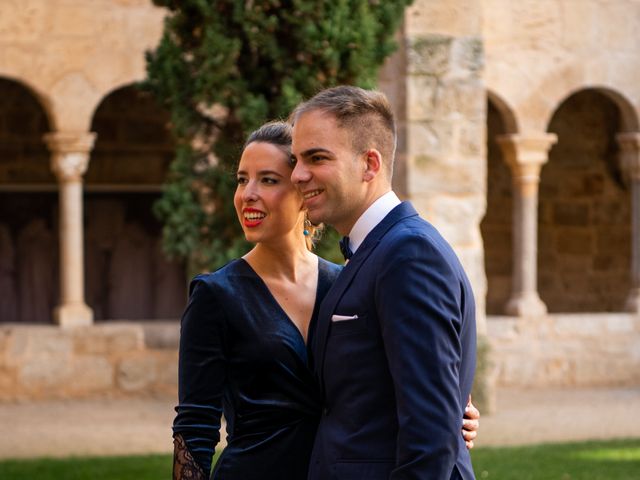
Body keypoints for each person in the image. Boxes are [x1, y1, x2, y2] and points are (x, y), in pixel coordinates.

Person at [172, 121, 480, 480]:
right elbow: (195, 427)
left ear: (305, 187)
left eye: (268, 180)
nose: (247, 194)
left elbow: (395, 379)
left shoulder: (348, 280)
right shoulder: (215, 295)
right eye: (242, 180)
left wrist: (454, 416)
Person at [290, 86, 478, 479]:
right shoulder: (372, 251)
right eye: (296, 160)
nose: (297, 175)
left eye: (316, 158)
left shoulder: (409, 255)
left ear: (369, 164)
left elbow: (431, 436)